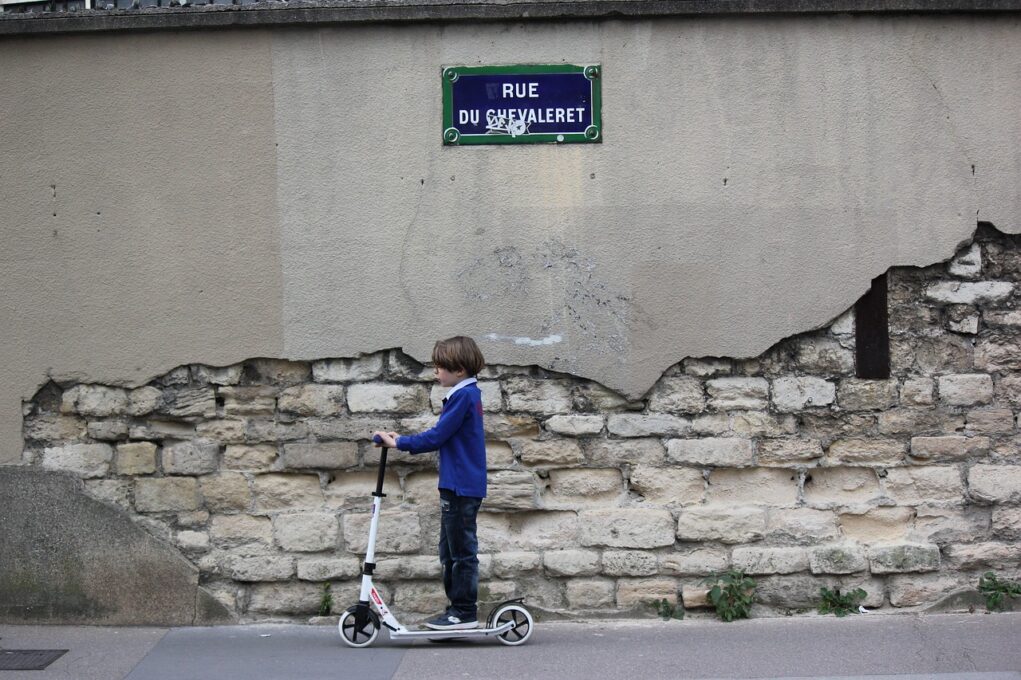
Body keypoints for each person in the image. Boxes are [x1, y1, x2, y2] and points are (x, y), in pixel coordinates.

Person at [373, 336, 487, 630]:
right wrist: (401, 440)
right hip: (457, 484)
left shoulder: (464, 396)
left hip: (460, 486)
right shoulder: (465, 394)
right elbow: (441, 435)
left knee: (461, 553)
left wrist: (400, 444)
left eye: (440, 367)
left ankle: (463, 612)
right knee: (449, 552)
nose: (436, 372)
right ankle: (456, 610)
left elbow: (437, 437)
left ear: (459, 370)